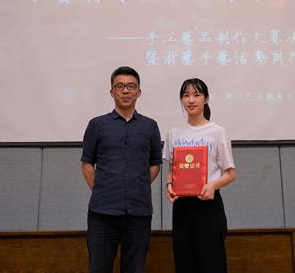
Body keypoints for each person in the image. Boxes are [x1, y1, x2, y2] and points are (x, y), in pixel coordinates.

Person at [81, 66, 162, 273]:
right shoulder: (97, 125)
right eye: (120, 86)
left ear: (139, 92)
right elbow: (87, 164)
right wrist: (102, 189)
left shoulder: (150, 126)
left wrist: (138, 185)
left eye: (131, 86)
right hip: (102, 213)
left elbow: (155, 164)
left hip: (139, 213)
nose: (125, 90)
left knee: (135, 269)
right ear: (112, 92)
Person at [163, 78, 236, 273]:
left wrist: (213, 185)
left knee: (212, 264)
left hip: (208, 205)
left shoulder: (217, 132)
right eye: (186, 95)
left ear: (206, 99)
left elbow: (231, 173)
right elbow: (171, 170)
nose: (191, 100)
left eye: (196, 95)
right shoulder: (174, 133)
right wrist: (169, 186)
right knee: (184, 263)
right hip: (182, 207)